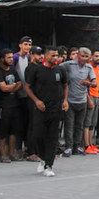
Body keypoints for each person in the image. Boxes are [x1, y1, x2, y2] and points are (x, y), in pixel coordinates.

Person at [25, 47, 69, 177]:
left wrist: (65, 101)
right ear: (45, 56)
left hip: (55, 109)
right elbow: (27, 87)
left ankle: (49, 165)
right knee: (38, 135)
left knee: (52, 137)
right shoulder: (36, 70)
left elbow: (65, 85)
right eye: (53, 55)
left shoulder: (60, 69)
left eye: (57, 56)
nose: (56, 58)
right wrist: (36, 101)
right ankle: (42, 158)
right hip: (41, 108)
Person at [60, 47, 96, 157]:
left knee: (79, 125)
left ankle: (77, 146)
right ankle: (68, 147)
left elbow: (94, 82)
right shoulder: (69, 65)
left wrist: (88, 83)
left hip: (82, 100)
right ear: (78, 56)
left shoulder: (89, 67)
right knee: (69, 125)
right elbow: (57, 69)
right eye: (82, 56)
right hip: (70, 100)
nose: (84, 59)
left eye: (87, 57)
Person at [0, 49, 22, 163]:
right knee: (2, 131)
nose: (11, 59)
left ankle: (11, 153)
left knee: (14, 131)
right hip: (3, 105)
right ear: (2, 59)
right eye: (8, 57)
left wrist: (12, 87)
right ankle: (2, 154)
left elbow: (20, 83)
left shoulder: (13, 69)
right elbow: (3, 88)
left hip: (15, 104)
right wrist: (13, 86)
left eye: (11, 57)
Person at [84, 50, 99, 154]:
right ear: (92, 57)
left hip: (97, 97)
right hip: (90, 97)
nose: (98, 58)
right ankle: (86, 145)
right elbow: (84, 84)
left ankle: (91, 144)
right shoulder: (87, 67)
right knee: (87, 123)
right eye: (96, 56)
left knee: (93, 123)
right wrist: (88, 99)